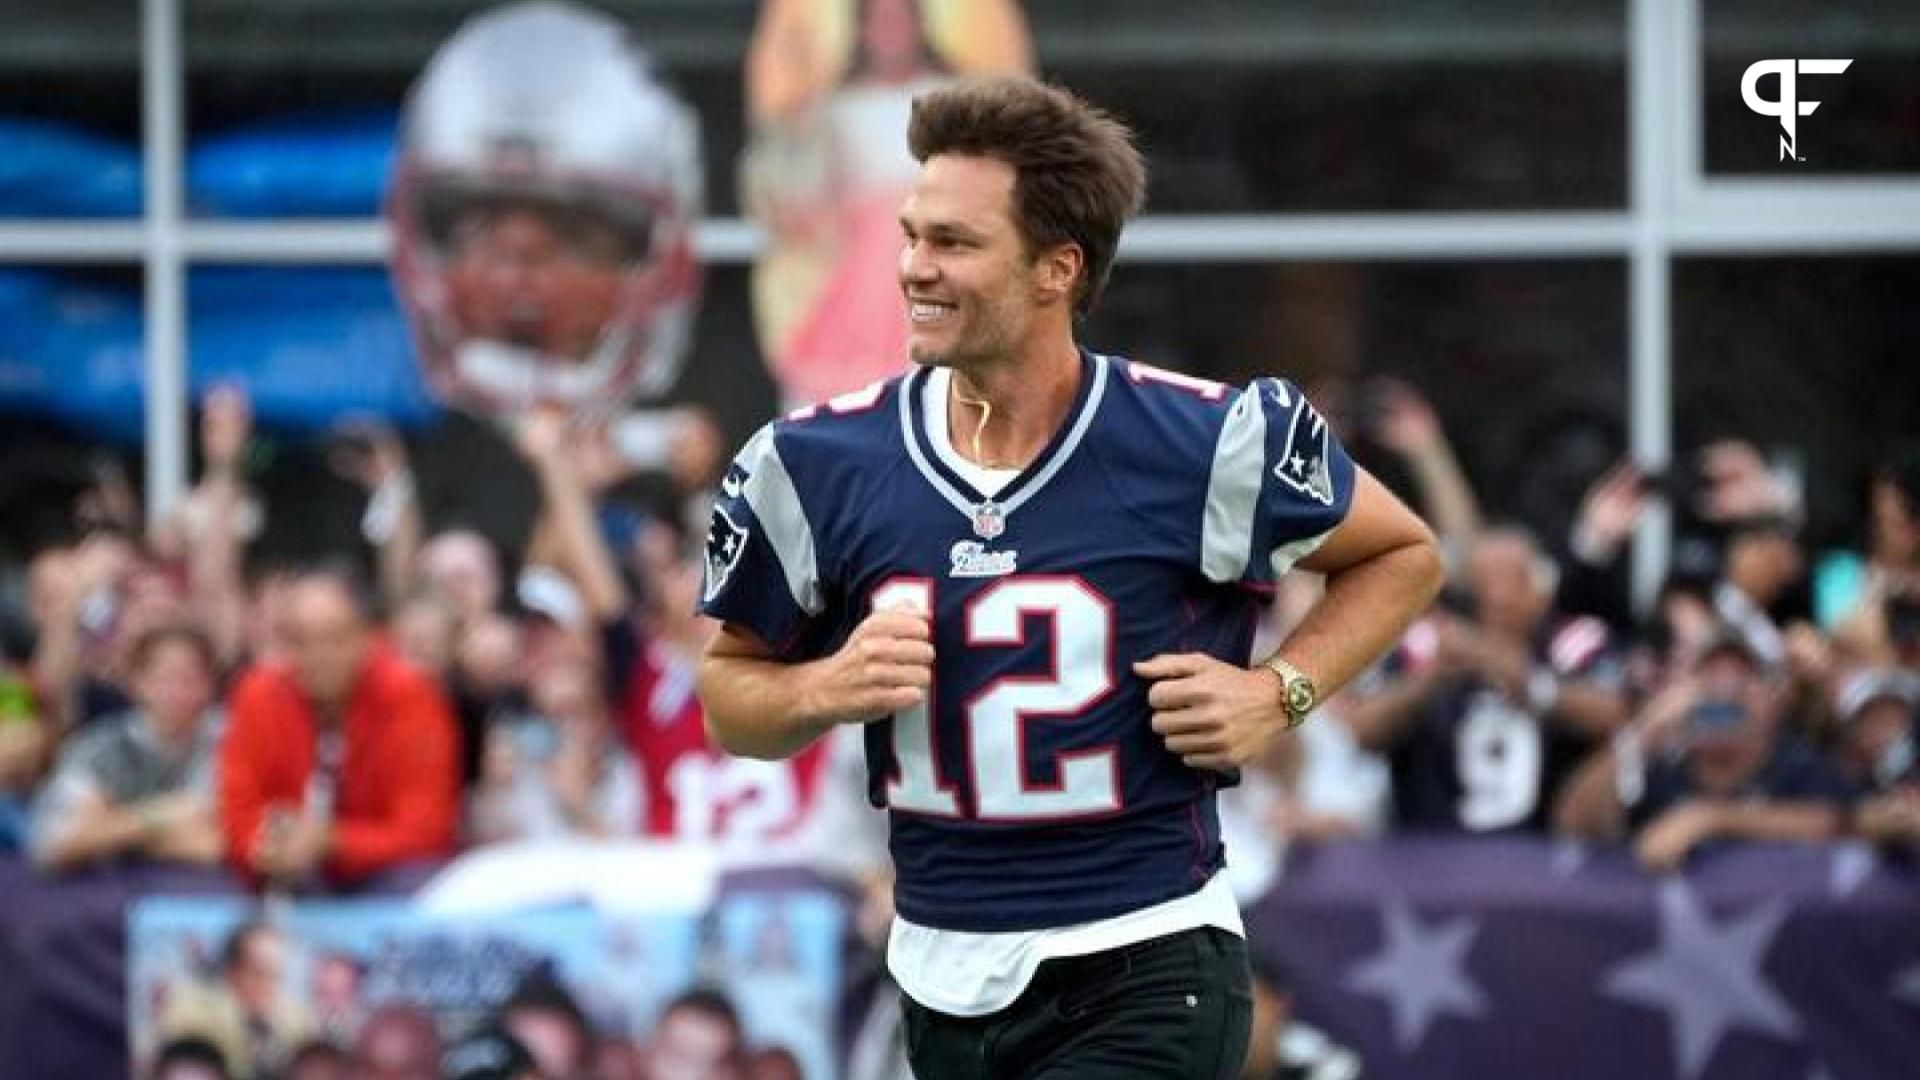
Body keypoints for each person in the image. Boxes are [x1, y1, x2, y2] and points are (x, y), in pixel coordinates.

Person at [697, 77, 1443, 1079]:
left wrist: (1279, 692)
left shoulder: (1198, 440)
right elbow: (729, 699)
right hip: (939, 970)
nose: (915, 267)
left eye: (955, 243)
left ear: (1057, 268)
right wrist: (822, 687)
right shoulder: (816, 462)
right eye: (913, 235)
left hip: (1144, 954)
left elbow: (1403, 554)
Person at [218, 565, 461, 891]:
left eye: (334, 639)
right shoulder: (257, 695)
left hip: (387, 872)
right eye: (300, 641)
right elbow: (238, 815)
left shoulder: (413, 697)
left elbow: (427, 830)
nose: (317, 656)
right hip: (287, 870)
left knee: (418, 880)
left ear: (367, 636)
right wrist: (267, 847)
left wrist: (334, 842)